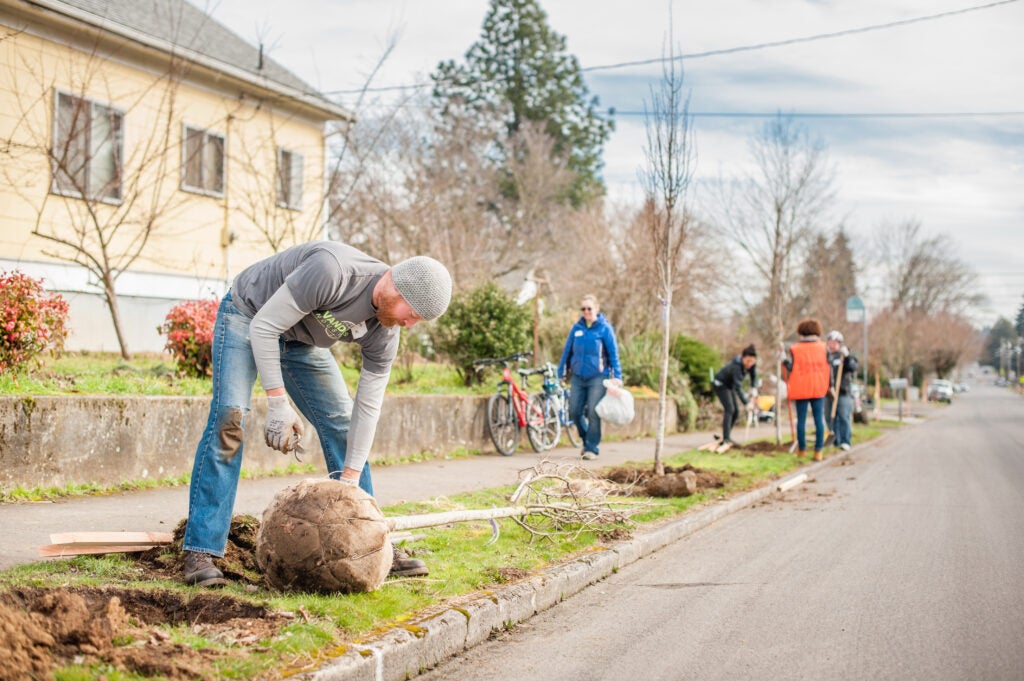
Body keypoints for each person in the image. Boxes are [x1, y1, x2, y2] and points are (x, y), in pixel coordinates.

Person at [181, 241, 452, 587]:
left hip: (300, 341)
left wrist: (350, 481)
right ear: (394, 287)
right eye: (412, 313)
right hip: (249, 314)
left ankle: (371, 543)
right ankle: (201, 550)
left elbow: (367, 409)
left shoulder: (386, 331)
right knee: (229, 419)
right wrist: (278, 403)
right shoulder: (334, 271)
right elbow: (264, 328)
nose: (409, 324)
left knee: (342, 423)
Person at [557, 295, 622, 461]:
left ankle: (592, 448)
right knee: (574, 411)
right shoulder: (576, 328)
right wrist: (561, 372)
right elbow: (567, 351)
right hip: (578, 376)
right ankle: (587, 440)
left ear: (597, 309)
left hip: (598, 377)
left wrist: (617, 376)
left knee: (593, 411)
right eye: (583, 309)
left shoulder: (604, 329)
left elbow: (613, 354)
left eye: (589, 308)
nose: (586, 311)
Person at [782, 318, 830, 461]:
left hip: (801, 387)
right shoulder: (824, 347)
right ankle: (818, 451)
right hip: (818, 387)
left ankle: (802, 450)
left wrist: (783, 360)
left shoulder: (795, 349)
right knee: (818, 420)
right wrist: (830, 386)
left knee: (801, 420)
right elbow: (829, 368)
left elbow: (791, 368)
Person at [712, 344, 758, 446]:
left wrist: (754, 387)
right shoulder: (736, 366)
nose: (750, 364)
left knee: (736, 411)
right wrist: (746, 403)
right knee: (730, 409)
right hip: (721, 384)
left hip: (730, 385)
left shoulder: (751, 364)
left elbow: (754, 376)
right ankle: (726, 438)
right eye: (748, 361)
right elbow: (738, 387)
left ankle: (726, 436)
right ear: (743, 358)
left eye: (752, 361)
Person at [825, 330, 858, 452]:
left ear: (839, 344)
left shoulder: (844, 356)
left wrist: (848, 357)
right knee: (830, 417)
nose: (832, 345)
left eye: (835, 342)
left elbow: (853, 367)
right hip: (829, 392)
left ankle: (845, 441)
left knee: (843, 416)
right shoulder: (826, 357)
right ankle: (835, 440)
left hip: (843, 392)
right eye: (830, 342)